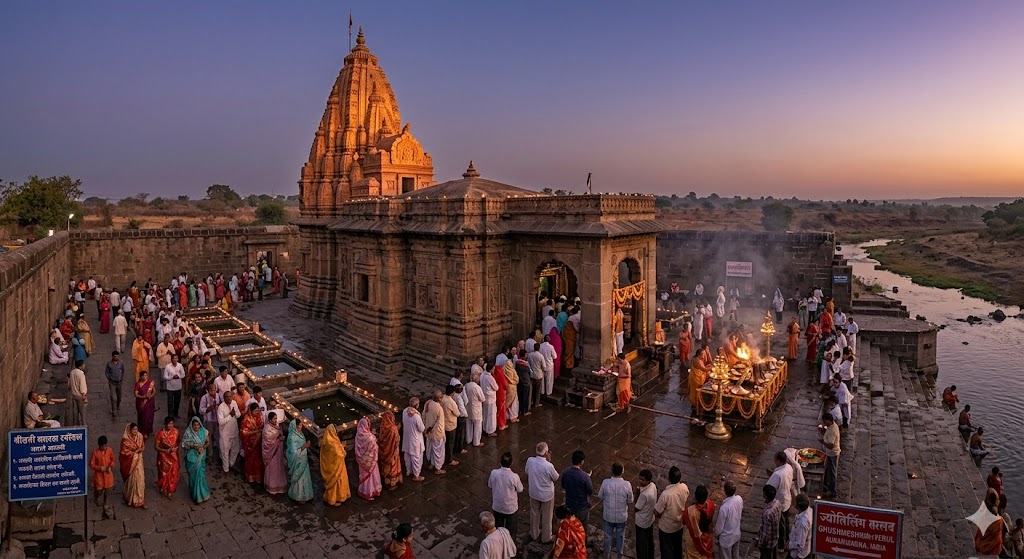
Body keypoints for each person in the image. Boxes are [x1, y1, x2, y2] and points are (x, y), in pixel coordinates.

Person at [525, 442, 559, 544]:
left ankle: (534, 533)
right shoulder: (548, 466)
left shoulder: (530, 461)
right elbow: (556, 477)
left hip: (534, 492)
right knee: (547, 516)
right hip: (546, 495)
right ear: (546, 453)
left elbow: (527, 471)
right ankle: (546, 536)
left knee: (534, 513)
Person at [598, 462, 633, 559]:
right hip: (621, 516)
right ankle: (619, 555)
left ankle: (606, 555)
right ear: (622, 471)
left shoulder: (605, 482)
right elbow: (630, 500)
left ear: (612, 471)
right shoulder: (627, 484)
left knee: (608, 536)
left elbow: (600, 496)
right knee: (620, 536)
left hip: (608, 515)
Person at [487, 451, 524, 541]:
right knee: (511, 531)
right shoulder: (514, 477)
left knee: (498, 529)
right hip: (510, 508)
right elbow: (520, 489)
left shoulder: (494, 473)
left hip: (497, 506)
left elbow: (489, 485)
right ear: (511, 463)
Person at [654, 465, 689, 559]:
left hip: (666, 527)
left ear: (669, 478)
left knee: (666, 550)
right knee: (677, 548)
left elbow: (657, 511)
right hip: (679, 525)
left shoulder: (666, 494)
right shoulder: (684, 488)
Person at [767, 451, 795, 550]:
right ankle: (787, 539)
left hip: (781, 501)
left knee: (781, 524)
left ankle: (781, 546)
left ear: (778, 460)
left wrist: (771, 475)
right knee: (786, 521)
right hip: (787, 498)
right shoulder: (789, 467)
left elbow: (770, 487)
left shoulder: (778, 474)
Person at [562, 450, 594, 532]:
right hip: (582, 506)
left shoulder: (566, 473)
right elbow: (590, 491)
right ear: (581, 462)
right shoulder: (584, 477)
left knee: (570, 527)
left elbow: (563, 485)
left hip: (569, 504)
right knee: (583, 528)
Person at [181, 416, 211, 503]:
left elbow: (207, 442)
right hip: (191, 458)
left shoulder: (204, 432)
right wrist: (193, 446)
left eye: (198, 425)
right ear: (192, 425)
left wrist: (203, 447)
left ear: (200, 425)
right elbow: (184, 444)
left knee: (200, 475)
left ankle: (202, 494)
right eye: (194, 425)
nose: (196, 427)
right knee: (193, 476)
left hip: (200, 456)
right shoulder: (188, 433)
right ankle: (194, 494)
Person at [320, 424, 351, 506]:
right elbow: (339, 454)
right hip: (336, 467)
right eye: (335, 430)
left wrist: (340, 446)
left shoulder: (326, 440)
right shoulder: (331, 442)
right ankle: (333, 499)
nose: (336, 432)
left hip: (332, 466)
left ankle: (334, 497)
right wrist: (343, 447)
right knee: (336, 482)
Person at [682, 484, 715, 559]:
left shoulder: (689, 511)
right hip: (707, 539)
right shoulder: (711, 505)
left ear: (696, 497)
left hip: (693, 541)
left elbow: (683, 521)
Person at [119, 423, 146, 508]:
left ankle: (140, 500)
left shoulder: (140, 436)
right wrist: (134, 453)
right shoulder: (125, 441)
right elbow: (124, 453)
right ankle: (130, 499)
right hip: (130, 463)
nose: (135, 431)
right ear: (129, 430)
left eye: (136, 429)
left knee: (140, 479)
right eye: (134, 430)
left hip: (138, 461)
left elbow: (143, 446)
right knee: (132, 480)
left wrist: (139, 450)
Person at [286, 420, 314, 502]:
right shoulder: (292, 437)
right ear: (295, 426)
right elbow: (293, 452)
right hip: (297, 462)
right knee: (299, 479)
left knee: (304, 478)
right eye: (299, 425)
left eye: (301, 425)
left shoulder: (300, 434)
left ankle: (306, 495)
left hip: (303, 460)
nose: (301, 427)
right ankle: (298, 496)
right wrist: (304, 446)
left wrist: (306, 445)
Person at [714, 480, 742, 559]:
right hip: (736, 533)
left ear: (725, 491)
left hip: (726, 539)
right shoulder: (739, 499)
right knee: (735, 555)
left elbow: (719, 527)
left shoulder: (724, 508)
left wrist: (716, 534)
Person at [261, 412, 288, 494]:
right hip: (271, 454)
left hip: (278, 452)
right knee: (272, 469)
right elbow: (268, 442)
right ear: (269, 420)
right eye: (274, 419)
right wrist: (279, 439)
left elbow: (279, 434)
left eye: (276, 418)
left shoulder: (277, 426)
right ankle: (271, 487)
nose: (276, 420)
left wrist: (279, 437)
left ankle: (280, 487)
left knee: (279, 468)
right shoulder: (267, 429)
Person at [634, 469, 658, 559]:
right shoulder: (653, 486)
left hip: (642, 522)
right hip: (649, 519)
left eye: (642, 480)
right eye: (640, 479)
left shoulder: (644, 494)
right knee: (649, 541)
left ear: (648, 480)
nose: (640, 481)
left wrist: (636, 493)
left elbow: (637, 507)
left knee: (641, 544)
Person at [89, 436, 115, 518]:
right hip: (99, 476)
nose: (105, 447)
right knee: (99, 491)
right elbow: (91, 464)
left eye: (106, 445)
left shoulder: (110, 450)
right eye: (104, 446)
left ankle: (106, 504)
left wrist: (110, 466)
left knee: (108, 491)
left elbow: (113, 460)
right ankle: (96, 497)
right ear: (99, 446)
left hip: (108, 475)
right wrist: (99, 468)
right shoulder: (95, 453)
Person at [155, 416, 180, 499]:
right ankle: (163, 487)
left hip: (173, 456)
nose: (170, 425)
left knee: (174, 472)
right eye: (169, 424)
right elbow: (156, 446)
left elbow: (178, 442)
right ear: (165, 424)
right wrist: (165, 451)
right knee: (163, 474)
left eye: (172, 424)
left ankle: (170, 491)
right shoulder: (160, 433)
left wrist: (175, 448)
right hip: (163, 457)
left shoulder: (176, 431)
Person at [402, 397, 426, 481]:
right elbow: (422, 429)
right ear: (416, 405)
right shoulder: (416, 416)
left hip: (407, 437)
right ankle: (416, 475)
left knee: (407, 455)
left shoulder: (405, 411)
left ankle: (408, 471)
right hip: (415, 439)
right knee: (416, 458)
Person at [975, 488, 1004, 556]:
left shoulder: (982, 513)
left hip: (980, 545)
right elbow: (997, 537)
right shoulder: (998, 521)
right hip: (992, 550)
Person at [378, 412, 403, 490]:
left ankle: (386, 481)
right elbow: (397, 439)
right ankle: (392, 483)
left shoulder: (383, 426)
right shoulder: (393, 429)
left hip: (384, 451)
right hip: (392, 452)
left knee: (385, 466)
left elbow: (381, 439)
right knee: (393, 467)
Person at [217, 391, 241, 472]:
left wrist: (235, 414)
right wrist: (230, 415)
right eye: (227, 397)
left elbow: (239, 414)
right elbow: (220, 422)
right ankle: (226, 468)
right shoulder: (221, 407)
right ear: (224, 398)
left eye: (230, 396)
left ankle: (231, 464)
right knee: (225, 453)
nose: (229, 398)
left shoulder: (234, 403)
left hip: (234, 432)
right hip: (225, 434)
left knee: (235, 450)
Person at [241, 402, 264, 484]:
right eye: (255, 411)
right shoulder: (246, 419)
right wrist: (256, 431)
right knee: (250, 460)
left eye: (258, 411)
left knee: (258, 460)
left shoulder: (260, 416)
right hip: (250, 443)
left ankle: (258, 477)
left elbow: (262, 426)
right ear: (250, 411)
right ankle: (250, 477)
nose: (257, 413)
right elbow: (244, 432)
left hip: (258, 441)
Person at [819, 413, 841, 499]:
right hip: (829, 453)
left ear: (829, 421)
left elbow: (831, 445)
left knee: (832, 472)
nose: (824, 423)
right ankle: (827, 486)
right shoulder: (831, 426)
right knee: (828, 470)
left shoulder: (833, 430)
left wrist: (823, 442)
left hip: (833, 454)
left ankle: (832, 491)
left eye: (825, 421)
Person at [758, 485, 782, 559]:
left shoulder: (767, 513)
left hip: (768, 543)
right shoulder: (777, 503)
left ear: (765, 496)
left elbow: (766, 533)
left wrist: (760, 543)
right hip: (775, 537)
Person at [786, 493, 812, 559]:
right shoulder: (809, 511)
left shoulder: (802, 523)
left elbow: (799, 544)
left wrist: (789, 545)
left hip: (798, 554)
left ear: (798, 505)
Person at [440, 386, 461, 467]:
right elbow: (457, 413)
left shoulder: (442, 398)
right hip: (450, 425)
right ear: (452, 393)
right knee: (450, 443)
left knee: (444, 443)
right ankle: (449, 459)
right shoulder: (451, 402)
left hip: (443, 423)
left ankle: (443, 457)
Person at [133, 370, 156, 438]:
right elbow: (136, 394)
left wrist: (150, 396)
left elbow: (154, 391)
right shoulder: (138, 384)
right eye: (144, 375)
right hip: (141, 403)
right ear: (141, 377)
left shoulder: (150, 383)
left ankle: (149, 430)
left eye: (146, 375)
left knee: (149, 416)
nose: (145, 377)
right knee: (143, 417)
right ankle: (143, 432)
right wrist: (143, 397)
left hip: (149, 402)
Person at [465, 372, 485, 447]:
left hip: (468, 408)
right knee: (477, 426)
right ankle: (476, 442)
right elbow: (482, 398)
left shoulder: (466, 386)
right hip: (476, 409)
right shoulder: (477, 388)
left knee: (469, 425)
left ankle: (468, 439)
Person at [66, 361, 88, 427]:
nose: (84, 366)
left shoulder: (72, 372)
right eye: (83, 365)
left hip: (74, 394)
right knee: (82, 412)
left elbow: (69, 385)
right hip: (80, 395)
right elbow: (82, 384)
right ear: (80, 366)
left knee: (76, 411)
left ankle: (76, 424)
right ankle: (84, 426)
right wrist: (83, 394)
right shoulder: (81, 373)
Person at [480, 364, 500, 437]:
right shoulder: (490, 378)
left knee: (485, 414)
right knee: (490, 416)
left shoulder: (482, 375)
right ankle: (490, 431)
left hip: (484, 397)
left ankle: (485, 428)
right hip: (490, 399)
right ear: (491, 369)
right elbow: (496, 388)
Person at [106, 350, 126, 421]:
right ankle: (114, 411)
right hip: (112, 383)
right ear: (112, 357)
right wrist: (110, 379)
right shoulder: (109, 364)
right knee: (113, 397)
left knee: (119, 397)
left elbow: (123, 371)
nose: (116, 357)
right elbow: (107, 373)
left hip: (119, 382)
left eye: (117, 356)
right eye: (115, 356)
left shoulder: (121, 363)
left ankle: (117, 406)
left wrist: (121, 378)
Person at [163, 353, 185, 418]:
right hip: (170, 387)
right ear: (171, 359)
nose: (175, 360)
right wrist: (172, 377)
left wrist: (178, 376)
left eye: (176, 358)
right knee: (170, 402)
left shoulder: (180, 366)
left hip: (178, 387)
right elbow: (165, 376)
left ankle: (176, 413)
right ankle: (170, 415)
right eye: (173, 358)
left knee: (177, 401)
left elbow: (183, 374)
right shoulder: (168, 367)